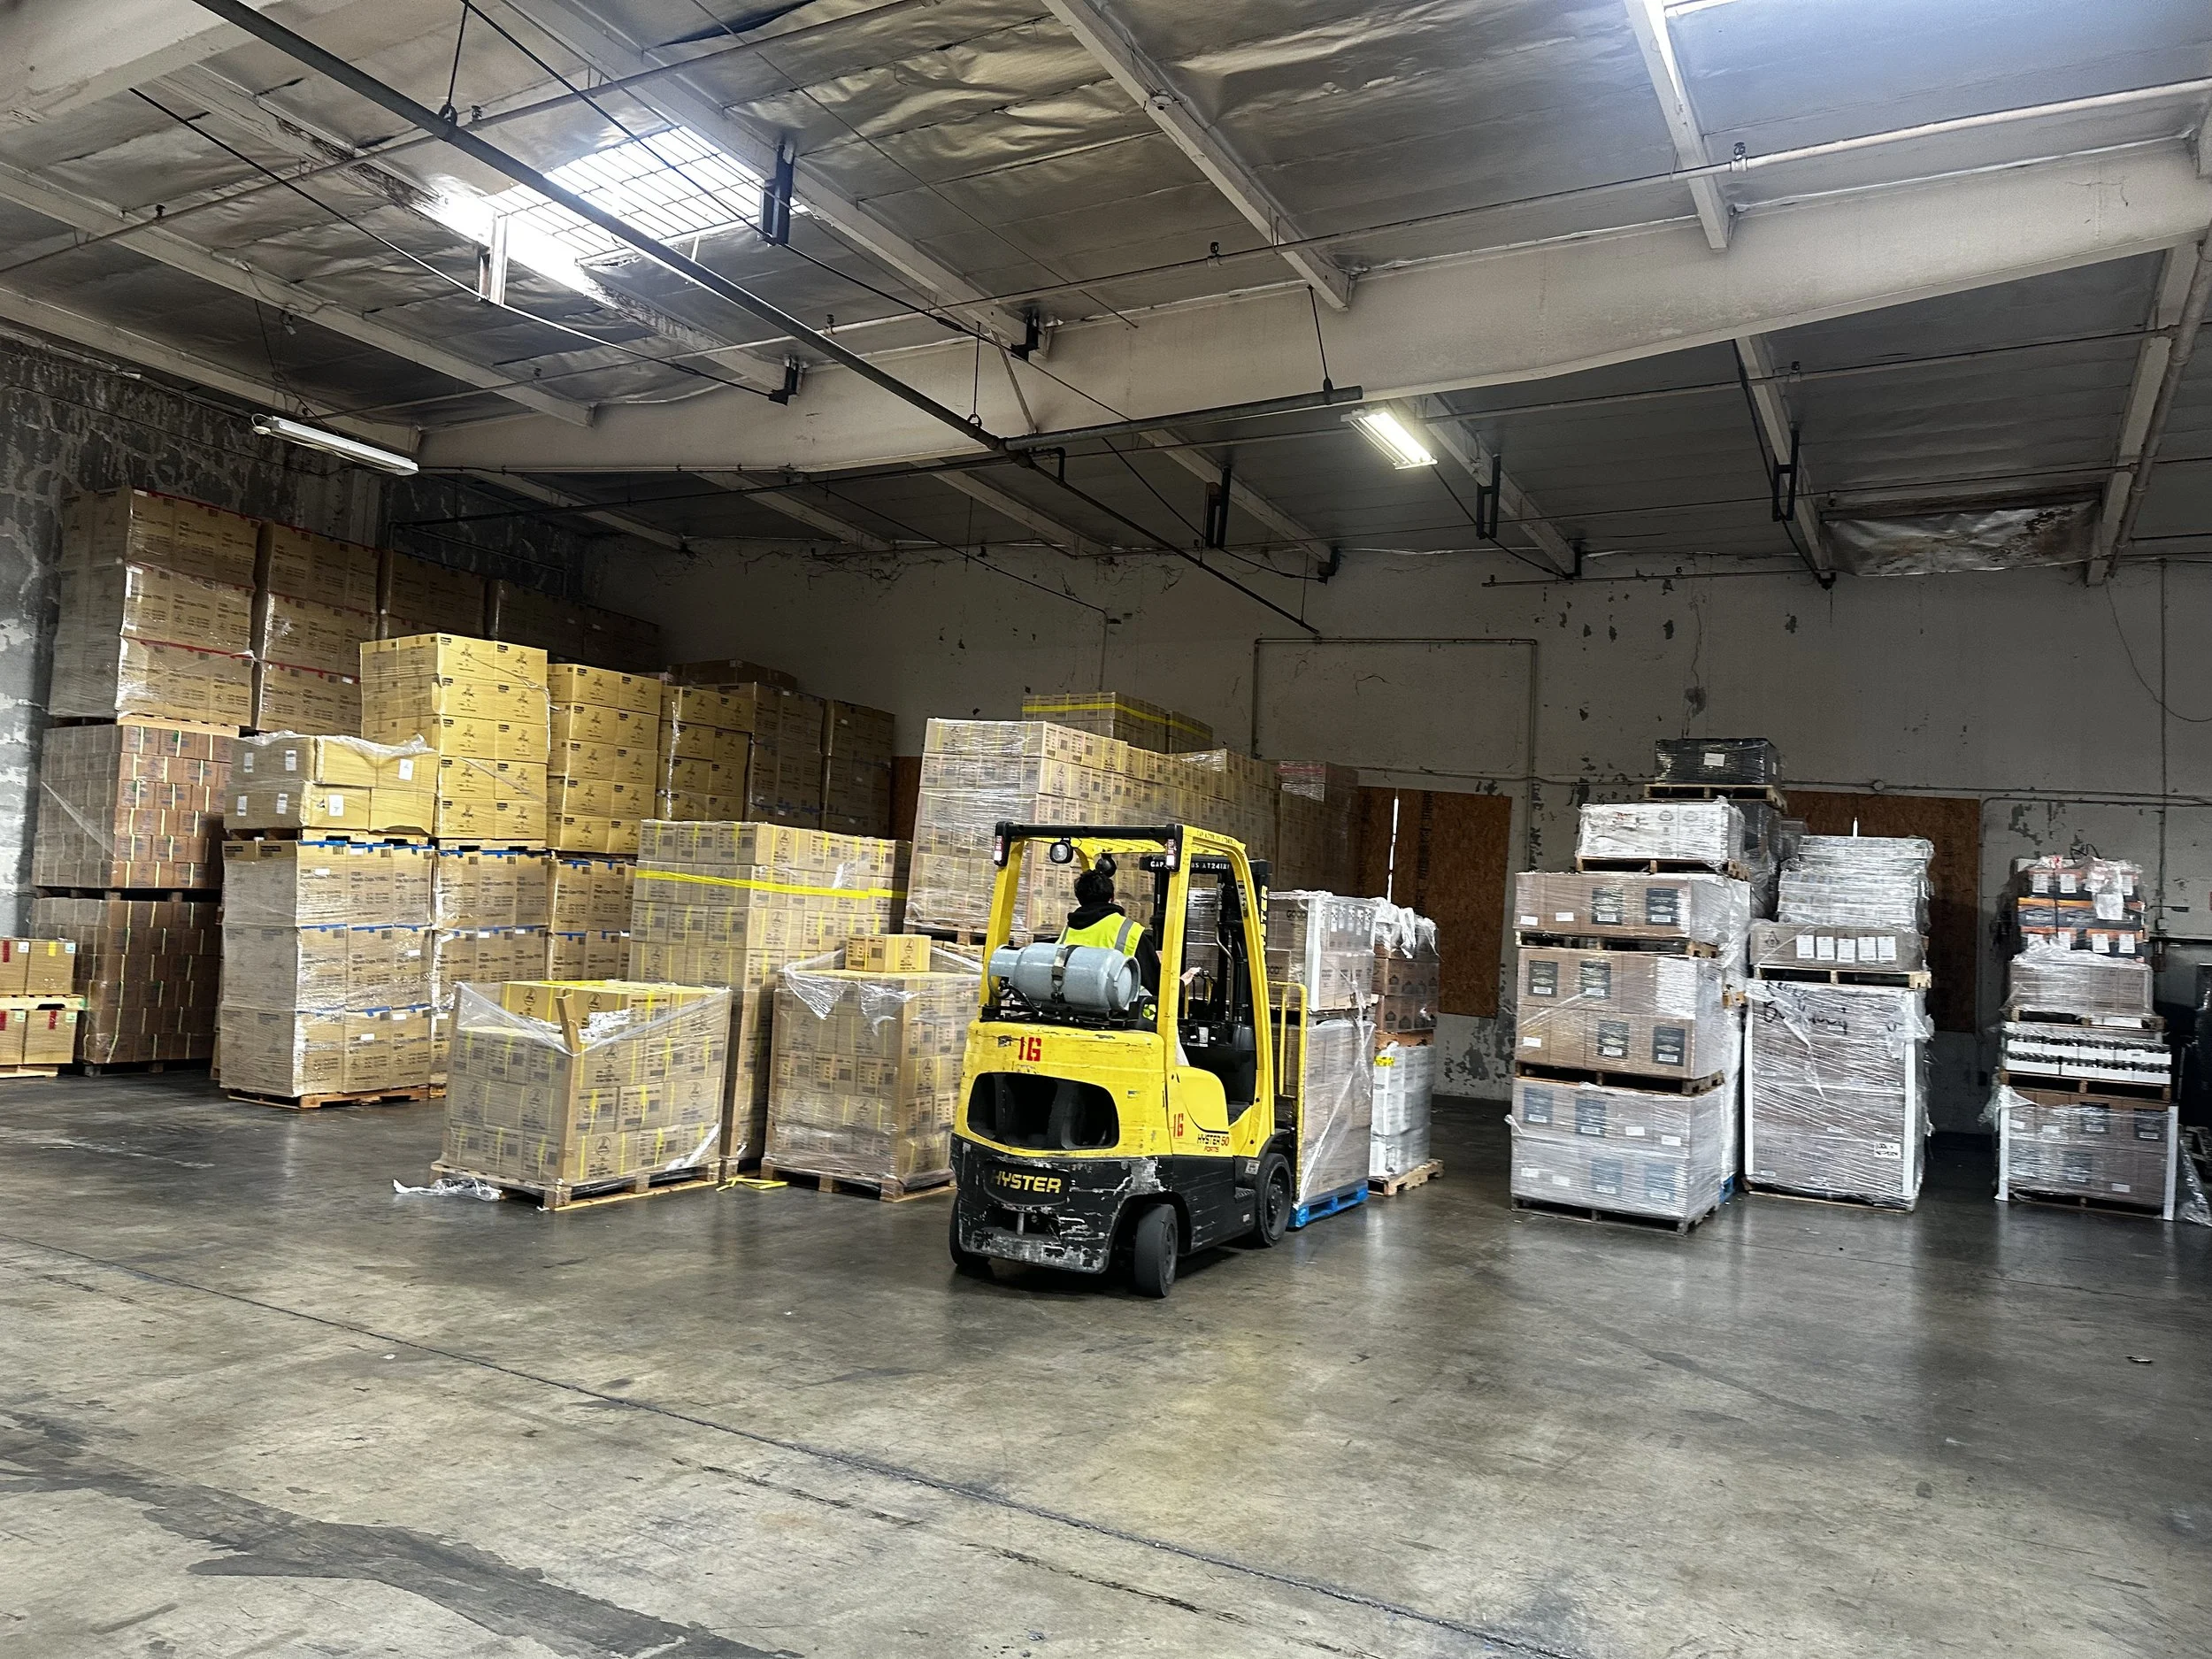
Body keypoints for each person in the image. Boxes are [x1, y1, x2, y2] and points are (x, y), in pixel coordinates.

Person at [1060, 864, 1161, 994]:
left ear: (1079, 899)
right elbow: (1154, 982)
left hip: (1074, 1004)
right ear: (1112, 898)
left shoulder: (1069, 930)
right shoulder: (1130, 931)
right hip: (1119, 1008)